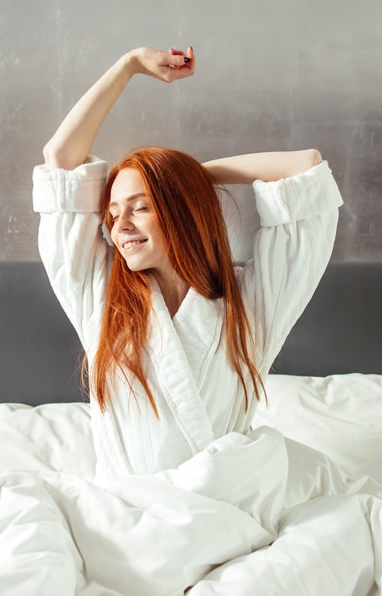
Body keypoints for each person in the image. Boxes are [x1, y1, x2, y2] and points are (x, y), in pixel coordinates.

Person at [33, 46, 343, 480]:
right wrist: (129, 66)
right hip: (128, 514)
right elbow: (60, 160)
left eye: (139, 207)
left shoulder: (250, 305)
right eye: (112, 213)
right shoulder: (101, 299)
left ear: (179, 210)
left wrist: (195, 178)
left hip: (227, 511)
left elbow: (304, 168)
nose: (119, 225)